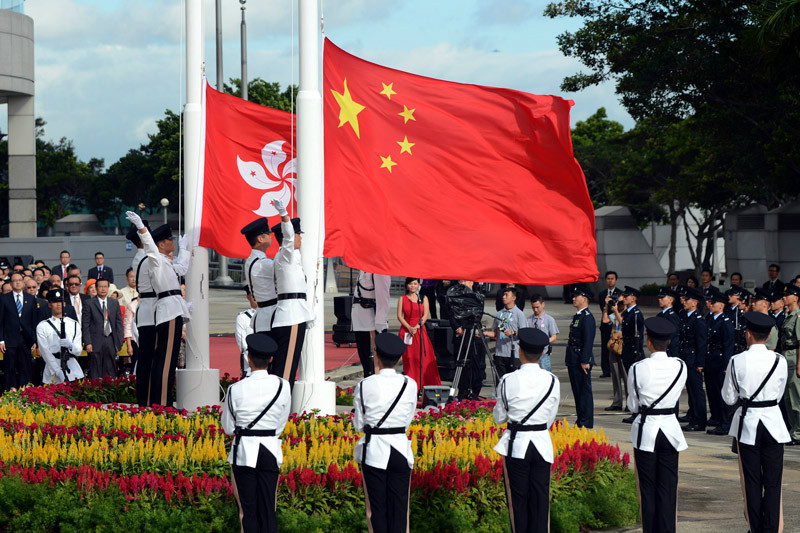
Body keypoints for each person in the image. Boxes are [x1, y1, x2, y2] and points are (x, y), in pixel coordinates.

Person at [722, 312, 789, 533]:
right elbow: (779, 395)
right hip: (772, 423)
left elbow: (729, 398)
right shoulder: (779, 360)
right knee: (773, 483)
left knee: (751, 482)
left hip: (748, 424)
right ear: (769, 334)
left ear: (748, 334)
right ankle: (771, 528)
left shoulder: (736, 360)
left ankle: (755, 528)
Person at [221, 333, 291, 533]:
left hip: (244, 453)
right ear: (270, 359)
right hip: (270, 449)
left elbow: (227, 427)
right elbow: (281, 423)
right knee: (269, 509)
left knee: (247, 512)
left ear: (248, 358)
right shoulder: (282, 385)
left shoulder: (235, 389)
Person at [493, 328, 559, 533]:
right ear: (541, 353)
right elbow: (550, 418)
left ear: (520, 350)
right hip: (541, 443)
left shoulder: (508, 380)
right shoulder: (552, 380)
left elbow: (499, 417)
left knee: (518, 503)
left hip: (517, 444)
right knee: (541, 501)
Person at [353, 332, 418, 533]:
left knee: (376, 512)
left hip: (375, 451)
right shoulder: (410, 384)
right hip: (400, 448)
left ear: (376, 356)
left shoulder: (364, 385)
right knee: (400, 511)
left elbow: (359, 424)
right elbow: (408, 418)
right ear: (399, 359)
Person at [627, 317, 687, 533]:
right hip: (670, 430)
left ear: (648, 341)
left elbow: (633, 404)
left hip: (647, 430)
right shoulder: (680, 365)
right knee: (668, 489)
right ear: (668, 341)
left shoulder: (637, 368)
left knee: (648, 490)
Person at [126, 212, 191, 406]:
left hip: (157, 309)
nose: (172, 242)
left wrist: (185, 250)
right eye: (169, 239)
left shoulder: (154, 258)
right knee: (162, 360)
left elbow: (179, 270)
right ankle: (161, 403)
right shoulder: (148, 257)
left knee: (154, 360)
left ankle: (150, 402)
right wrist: (141, 228)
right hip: (159, 310)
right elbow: (154, 254)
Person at [270, 200, 314, 388]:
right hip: (291, 316)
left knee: (287, 365)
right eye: (298, 235)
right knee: (286, 369)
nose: (300, 239)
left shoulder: (292, 258)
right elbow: (287, 237)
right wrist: (284, 214)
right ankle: (281, 408)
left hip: (294, 313)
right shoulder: (284, 255)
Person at [397, 277, 441, 390]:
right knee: (409, 359)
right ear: (406, 285)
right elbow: (399, 316)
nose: (413, 286)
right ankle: (411, 386)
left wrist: (416, 327)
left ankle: (423, 385)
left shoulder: (423, 298)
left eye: (415, 284)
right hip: (406, 330)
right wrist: (409, 327)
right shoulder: (402, 298)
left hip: (419, 330)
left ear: (418, 285)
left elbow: (425, 315)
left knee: (422, 359)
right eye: (410, 284)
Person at [36, 288, 84, 384]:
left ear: (64, 303)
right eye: (55, 302)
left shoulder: (74, 324)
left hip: (72, 370)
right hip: (52, 370)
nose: (58, 304)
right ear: (49, 304)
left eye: (60, 301)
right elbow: (45, 352)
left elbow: (78, 351)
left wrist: (70, 345)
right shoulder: (43, 326)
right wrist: (57, 371)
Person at [447, 280, 485, 400]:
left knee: (475, 365)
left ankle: (474, 391)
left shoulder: (477, 297)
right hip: (460, 335)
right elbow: (451, 314)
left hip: (472, 335)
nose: (463, 283)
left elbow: (478, 316)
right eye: (461, 281)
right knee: (460, 363)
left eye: (466, 281)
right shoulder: (454, 297)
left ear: (472, 283)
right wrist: (457, 327)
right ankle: (462, 390)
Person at [705, 289, 735, 435]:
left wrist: (725, 365)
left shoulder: (725, 322)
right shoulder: (711, 319)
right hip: (711, 359)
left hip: (720, 360)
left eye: (714, 302)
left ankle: (726, 422)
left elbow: (728, 345)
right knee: (713, 392)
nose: (710, 304)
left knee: (722, 393)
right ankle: (717, 418)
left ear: (721, 305)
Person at [0, 272, 37, 390]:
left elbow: (34, 322)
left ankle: (25, 393)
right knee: (9, 368)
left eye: (20, 280)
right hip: (9, 339)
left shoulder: (30, 298)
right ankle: (9, 394)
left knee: (25, 368)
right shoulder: (4, 298)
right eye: (15, 280)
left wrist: (34, 340)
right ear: (10, 283)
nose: (17, 282)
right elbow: (0, 321)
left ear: (23, 282)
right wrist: (1, 340)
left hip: (26, 339)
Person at [240, 216, 277, 336]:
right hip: (271, 317)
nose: (271, 236)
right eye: (267, 234)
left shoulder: (252, 260)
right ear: (260, 239)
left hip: (262, 316)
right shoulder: (263, 263)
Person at [351, 270, 391, 377]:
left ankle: (376, 376)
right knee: (362, 348)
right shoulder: (362, 269)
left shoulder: (380, 270)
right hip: (359, 315)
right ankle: (367, 374)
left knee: (377, 352)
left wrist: (380, 322)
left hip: (372, 317)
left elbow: (383, 297)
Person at [680, 286, 709, 431]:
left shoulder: (698, 319)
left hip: (693, 357)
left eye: (687, 299)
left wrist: (699, 362)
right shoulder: (686, 316)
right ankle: (692, 417)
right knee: (690, 390)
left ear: (695, 302)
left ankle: (700, 420)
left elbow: (702, 343)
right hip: (686, 356)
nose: (684, 302)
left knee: (697, 390)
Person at [566, 285, 595, 429]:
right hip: (573, 358)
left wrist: (585, 360)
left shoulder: (587, 317)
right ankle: (581, 419)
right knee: (577, 391)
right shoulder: (578, 316)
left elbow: (588, 341)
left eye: (576, 296)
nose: (573, 298)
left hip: (580, 359)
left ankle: (586, 420)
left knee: (583, 392)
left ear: (584, 299)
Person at [82, 278, 123, 379]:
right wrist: (88, 342)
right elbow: (85, 324)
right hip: (95, 341)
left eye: (105, 286)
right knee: (96, 370)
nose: (103, 289)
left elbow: (118, 324)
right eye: (100, 286)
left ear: (108, 288)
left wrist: (119, 341)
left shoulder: (114, 303)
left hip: (111, 339)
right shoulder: (89, 303)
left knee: (110, 370)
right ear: (96, 288)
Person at [486, 287, 528, 378]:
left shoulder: (519, 314)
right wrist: (483, 333)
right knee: (500, 381)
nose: (503, 297)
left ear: (514, 298)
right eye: (503, 295)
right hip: (499, 353)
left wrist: (513, 333)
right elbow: (495, 333)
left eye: (506, 295)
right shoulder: (499, 313)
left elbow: (525, 334)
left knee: (513, 381)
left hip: (513, 354)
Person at [780, 284, 800, 445]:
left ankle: (798, 432)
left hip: (794, 357)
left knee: (795, 397)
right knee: (787, 397)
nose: (785, 297)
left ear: (796, 298)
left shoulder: (798, 316)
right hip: (786, 356)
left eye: (788, 295)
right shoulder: (789, 316)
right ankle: (793, 429)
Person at [604, 294, 628, 412]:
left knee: (627, 377)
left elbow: (623, 323)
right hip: (614, 346)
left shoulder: (628, 313)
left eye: (621, 303)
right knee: (615, 376)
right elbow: (605, 320)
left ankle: (630, 403)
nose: (619, 305)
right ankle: (617, 402)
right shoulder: (614, 312)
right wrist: (606, 306)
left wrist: (617, 312)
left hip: (623, 348)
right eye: (617, 303)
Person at [597, 271, 620, 378]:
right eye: (608, 278)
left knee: (616, 346)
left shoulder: (620, 294)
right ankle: (606, 370)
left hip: (616, 324)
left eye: (612, 278)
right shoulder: (602, 294)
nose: (610, 280)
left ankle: (617, 369)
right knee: (605, 347)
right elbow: (602, 308)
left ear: (616, 280)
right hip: (605, 324)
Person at [528, 293, 558, 372]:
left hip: (543, 354)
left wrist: (545, 341)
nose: (535, 310)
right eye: (533, 307)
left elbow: (554, 336)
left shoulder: (549, 319)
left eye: (537, 307)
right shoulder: (528, 319)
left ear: (543, 304)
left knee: (545, 374)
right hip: (531, 354)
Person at [235, 286, 257, 378]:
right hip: (249, 368)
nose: (256, 298)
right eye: (253, 295)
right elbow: (243, 345)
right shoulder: (243, 318)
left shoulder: (270, 315)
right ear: (248, 297)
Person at [726, 285, 747, 354]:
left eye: (731, 295)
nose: (729, 296)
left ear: (738, 296)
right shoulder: (727, 310)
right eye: (729, 294)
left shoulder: (739, 312)